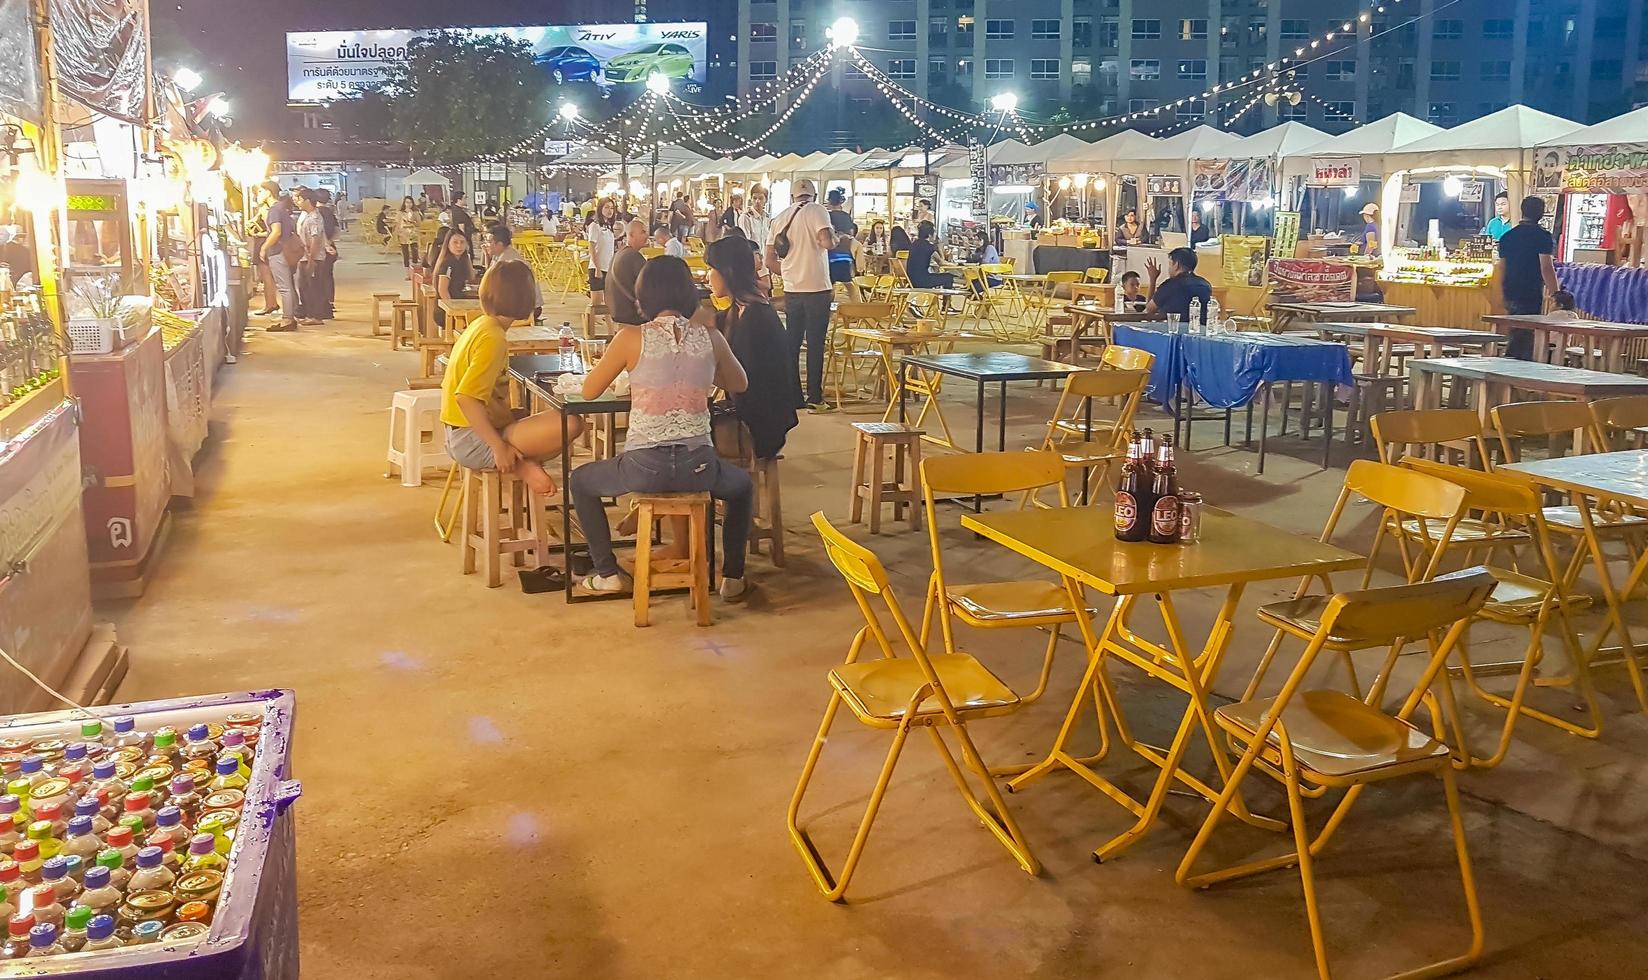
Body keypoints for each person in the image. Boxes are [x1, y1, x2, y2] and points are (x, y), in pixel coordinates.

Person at [570, 256, 755, 600]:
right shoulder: (709, 338)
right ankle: (733, 577)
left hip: (644, 467)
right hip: (699, 467)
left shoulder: (630, 338)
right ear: (689, 295)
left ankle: (607, 572)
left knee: (580, 481)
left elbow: (589, 390)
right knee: (741, 487)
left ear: (643, 297)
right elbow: (739, 383)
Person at [440, 261, 583, 497]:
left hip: (459, 433)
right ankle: (521, 465)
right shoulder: (493, 338)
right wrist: (498, 447)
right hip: (470, 440)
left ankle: (522, 463)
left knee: (547, 421)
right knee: (570, 424)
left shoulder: (482, 325)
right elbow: (466, 398)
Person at [705, 237, 798, 459]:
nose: (707, 277)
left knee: (684, 438)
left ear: (727, 272)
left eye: (711, 269)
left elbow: (745, 383)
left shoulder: (755, 318)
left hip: (760, 424)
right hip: (751, 412)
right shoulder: (742, 308)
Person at [766, 177, 837, 412]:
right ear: (814, 196)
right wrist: (837, 239)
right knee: (815, 343)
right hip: (817, 287)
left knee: (792, 343)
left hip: (792, 289)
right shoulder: (818, 210)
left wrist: (788, 272)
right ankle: (814, 397)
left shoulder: (780, 218)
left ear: (792, 197)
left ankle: (793, 396)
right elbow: (826, 242)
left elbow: (769, 260)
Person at [1495, 195, 1562, 359]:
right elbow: (1546, 267)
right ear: (1541, 213)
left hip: (1509, 289)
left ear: (1522, 211)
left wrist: (1499, 292)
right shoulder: (1542, 237)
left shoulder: (1507, 237)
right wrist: (1556, 293)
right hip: (1530, 290)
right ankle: (1514, 368)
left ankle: (1510, 366)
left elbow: (1501, 268)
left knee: (1516, 330)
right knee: (1525, 333)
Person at [258, 182, 300, 331]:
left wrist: (264, 248)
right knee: (288, 285)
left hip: (278, 251)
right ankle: (290, 316)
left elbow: (276, 231)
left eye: (260, 191)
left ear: (268, 192)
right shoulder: (282, 208)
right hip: (287, 250)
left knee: (284, 287)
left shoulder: (275, 210)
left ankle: (288, 320)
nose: (258, 195)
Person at [485, 224, 542, 321]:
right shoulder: (499, 255)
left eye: (489, 241)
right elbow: (489, 277)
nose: (485, 244)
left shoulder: (507, 261)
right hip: (515, 304)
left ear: (499, 244)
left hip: (527, 309)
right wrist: (486, 255)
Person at [1145, 247, 1213, 325]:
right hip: (1200, 332)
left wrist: (1152, 279)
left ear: (1176, 264)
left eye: (1170, 264)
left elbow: (1149, 310)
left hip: (1175, 333)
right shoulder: (1205, 285)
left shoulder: (1170, 285)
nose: (1169, 268)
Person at [293, 188, 328, 326]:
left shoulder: (314, 218)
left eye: (300, 199)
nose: (298, 202)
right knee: (305, 287)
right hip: (305, 257)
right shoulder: (307, 216)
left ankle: (316, 316)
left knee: (313, 288)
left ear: (307, 201)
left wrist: (311, 260)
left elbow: (316, 240)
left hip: (313, 258)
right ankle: (309, 313)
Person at [609, 219, 651, 327]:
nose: (647, 235)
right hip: (631, 313)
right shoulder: (634, 256)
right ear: (631, 235)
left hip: (617, 310)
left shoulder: (620, 253)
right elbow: (649, 285)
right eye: (643, 232)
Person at [432, 230, 473, 331]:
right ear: (448, 244)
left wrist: (468, 257)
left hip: (459, 303)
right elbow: (443, 290)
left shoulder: (462, 260)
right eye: (455, 242)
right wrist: (453, 310)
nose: (459, 246)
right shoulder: (447, 263)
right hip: (445, 310)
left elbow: (472, 277)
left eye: (462, 242)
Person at [249, 182, 276, 316]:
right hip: (263, 243)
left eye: (260, 192)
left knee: (266, 277)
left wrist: (257, 234)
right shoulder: (263, 209)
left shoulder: (266, 210)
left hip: (263, 244)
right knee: (266, 276)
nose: (257, 195)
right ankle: (271, 303)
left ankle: (270, 304)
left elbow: (271, 231)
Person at [586, 197, 619, 306]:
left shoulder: (609, 227)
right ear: (600, 209)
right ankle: (589, 322)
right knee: (596, 303)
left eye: (612, 208)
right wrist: (597, 268)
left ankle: (609, 324)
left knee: (608, 302)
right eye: (606, 207)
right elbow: (591, 247)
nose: (610, 210)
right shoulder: (594, 226)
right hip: (597, 268)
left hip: (608, 268)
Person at [904, 221, 954, 289]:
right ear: (930, 235)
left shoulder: (913, 245)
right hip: (923, 281)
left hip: (911, 280)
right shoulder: (930, 247)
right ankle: (946, 299)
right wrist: (940, 249)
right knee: (948, 277)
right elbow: (941, 263)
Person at [395, 196, 421, 269]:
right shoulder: (400, 213)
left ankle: (414, 269)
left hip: (413, 234)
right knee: (405, 253)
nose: (409, 204)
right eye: (407, 202)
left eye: (410, 202)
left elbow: (419, 223)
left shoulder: (415, 212)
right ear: (404, 203)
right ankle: (407, 272)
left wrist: (413, 222)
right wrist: (396, 234)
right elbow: (397, 224)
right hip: (403, 234)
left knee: (414, 252)